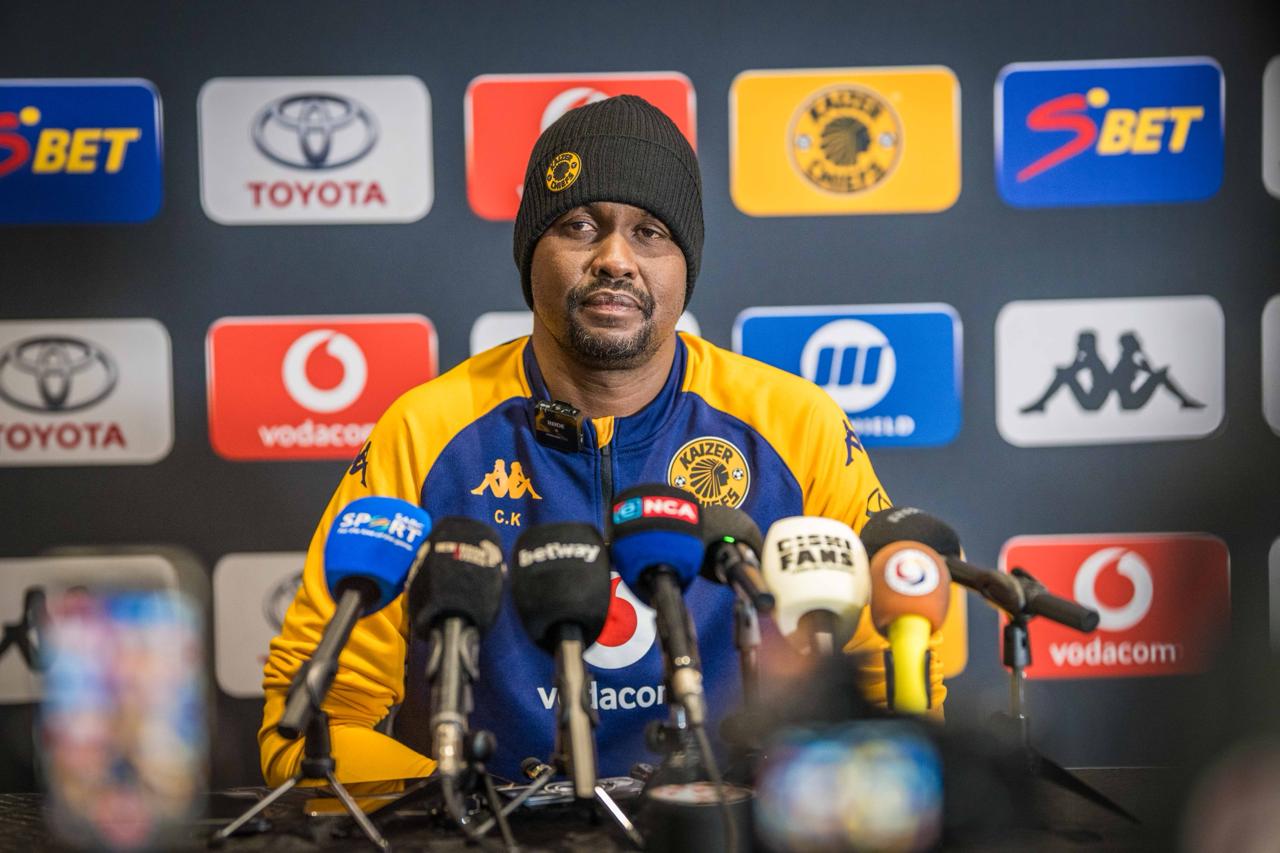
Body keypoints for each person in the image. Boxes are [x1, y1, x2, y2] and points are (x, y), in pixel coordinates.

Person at [259, 95, 946, 785]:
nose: (615, 259)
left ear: (685, 265)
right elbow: (314, 726)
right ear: (530, 252)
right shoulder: (427, 430)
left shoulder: (794, 425)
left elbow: (896, 691)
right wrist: (465, 812)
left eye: (650, 232)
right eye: (580, 226)